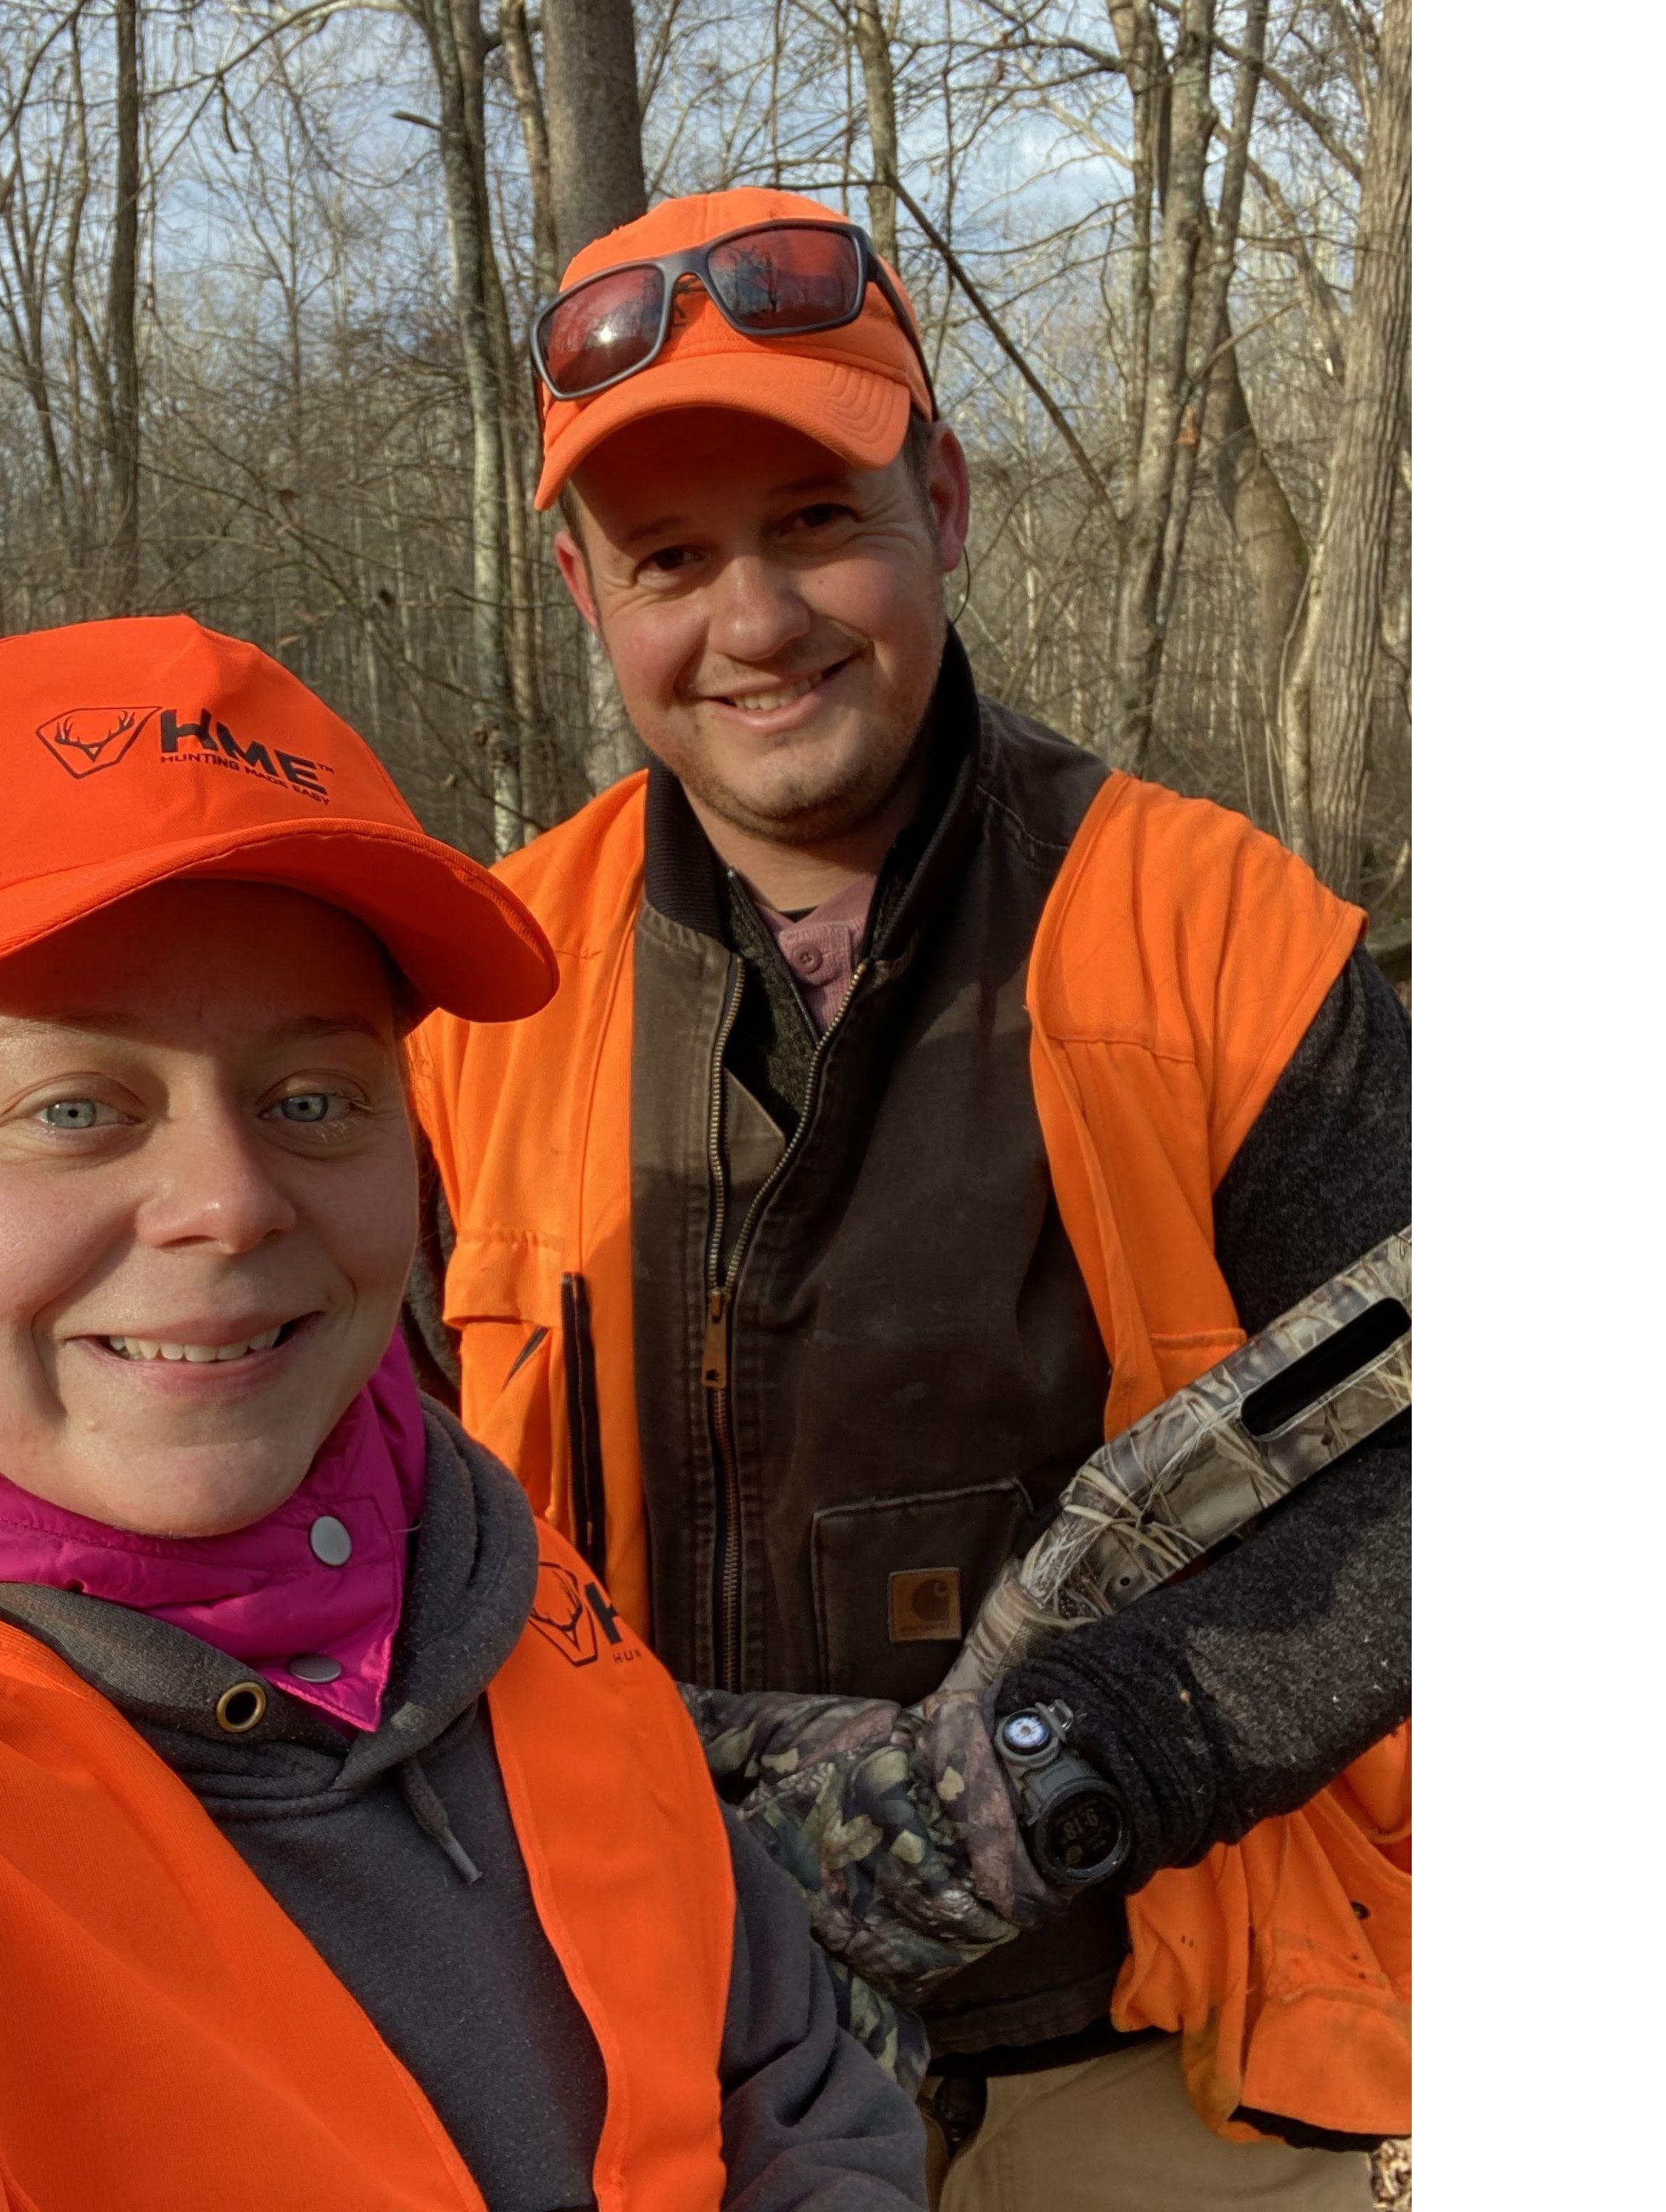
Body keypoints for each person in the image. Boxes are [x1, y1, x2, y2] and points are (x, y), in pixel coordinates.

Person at [404, 189, 1410, 2211]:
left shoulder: (1222, 934)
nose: (757, 621)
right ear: (584, 597)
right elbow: (354, 1509)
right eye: (672, 558)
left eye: (814, 522)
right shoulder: (470, 991)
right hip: (646, 2042)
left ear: (940, 501)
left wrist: (1059, 1775)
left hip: (1169, 2030)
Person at [0, 615, 931, 2212]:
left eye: (311, 1099)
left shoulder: (478, 1568)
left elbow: (786, 2074)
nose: (229, 1204)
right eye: (76, 1108)